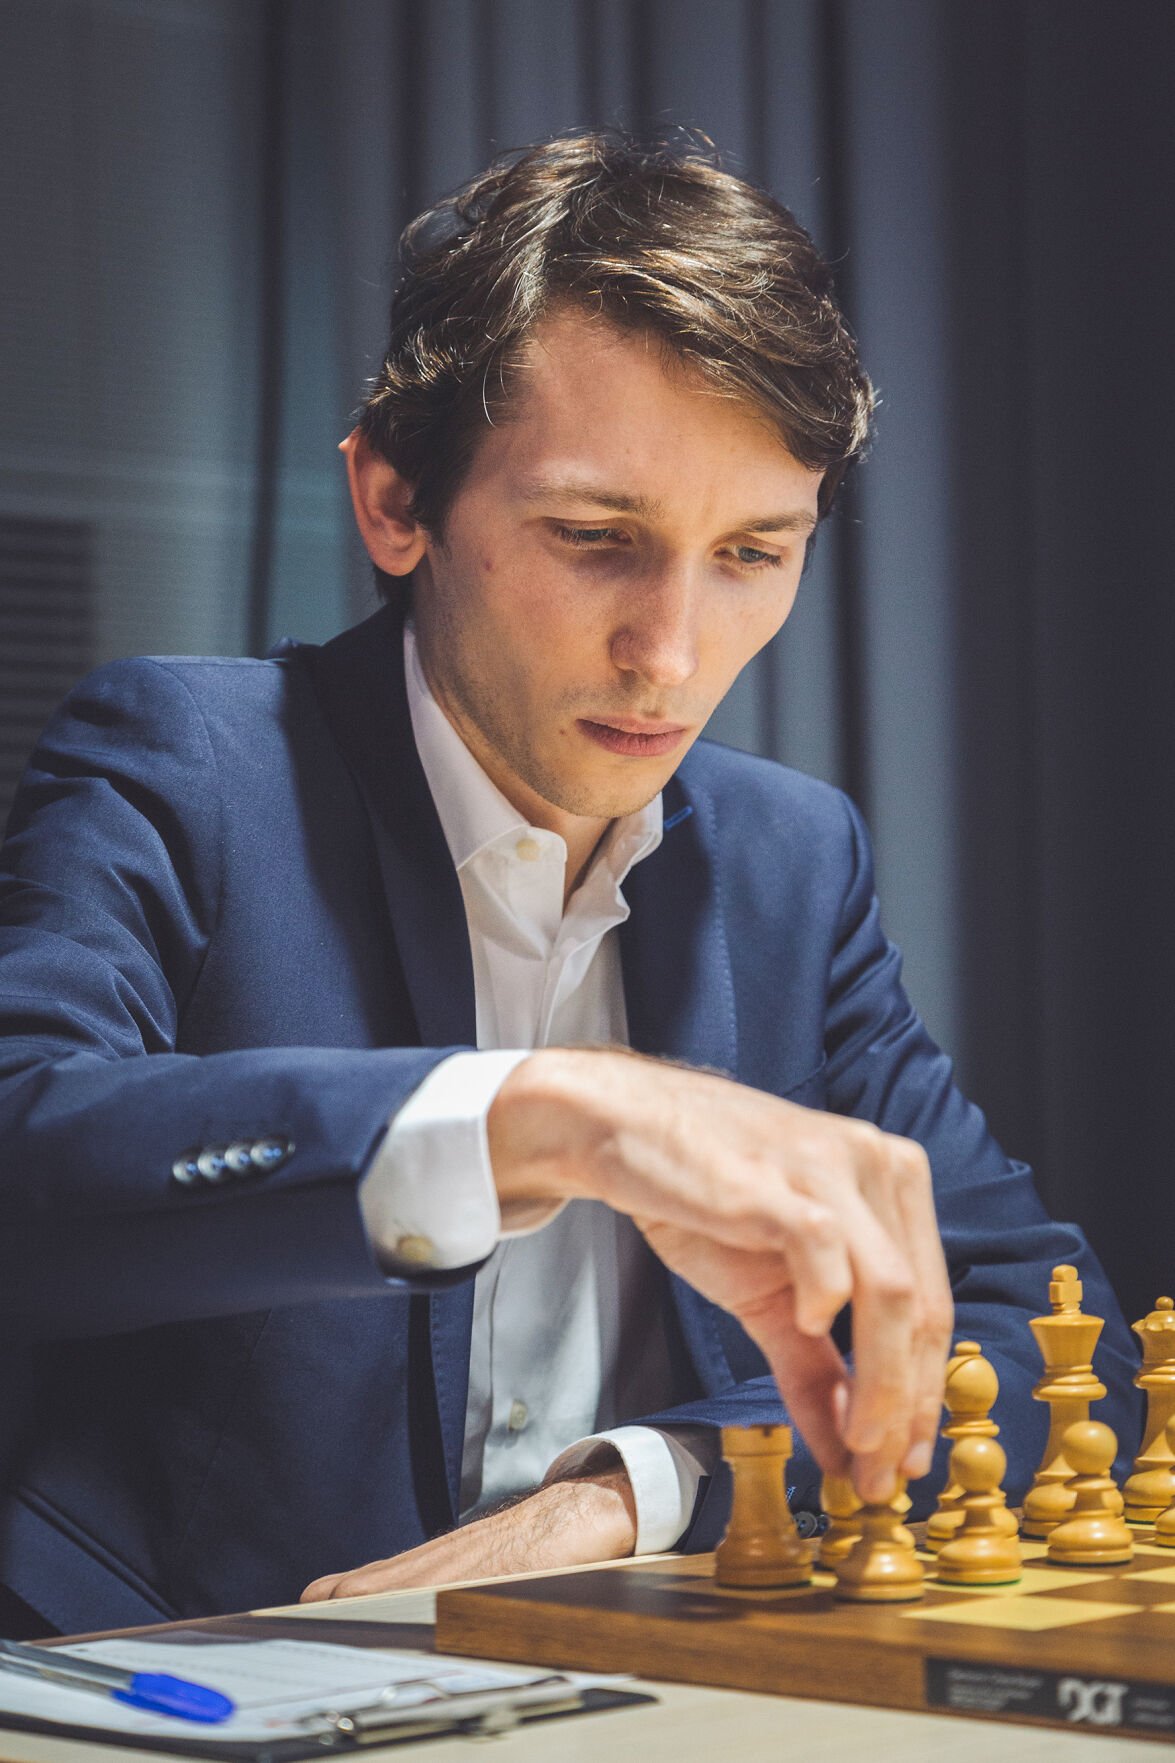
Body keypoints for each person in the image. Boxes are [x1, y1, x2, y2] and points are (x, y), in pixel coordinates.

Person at [0, 130, 1138, 1636]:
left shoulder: (793, 863)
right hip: (171, 1682)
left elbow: (1051, 1336)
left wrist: (632, 1493)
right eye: (597, 540)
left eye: (751, 551)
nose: (671, 653)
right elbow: (27, 1164)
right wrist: (541, 1118)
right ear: (396, 503)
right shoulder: (188, 762)